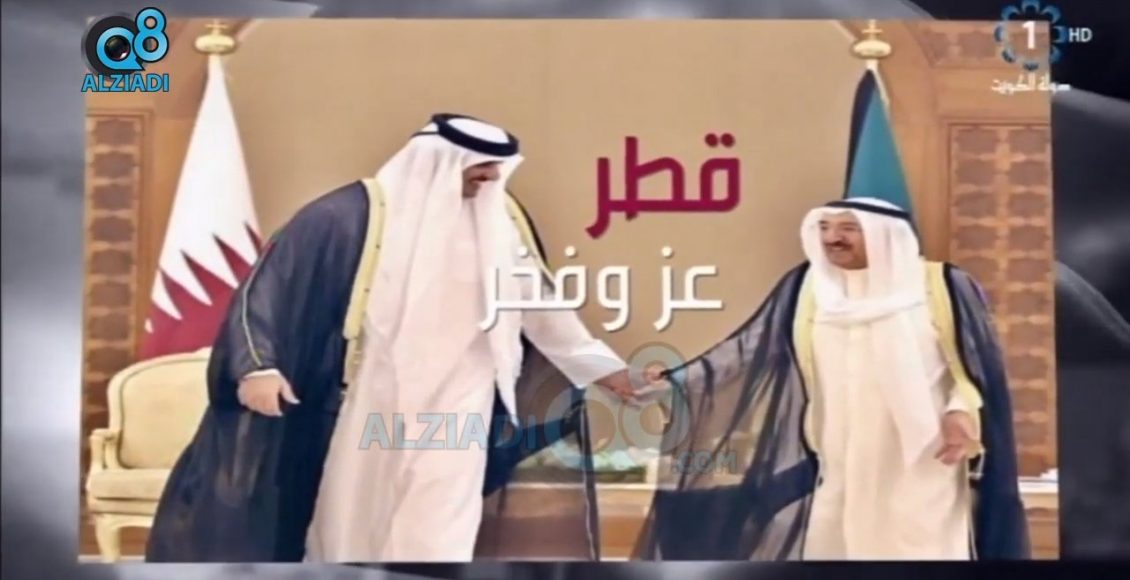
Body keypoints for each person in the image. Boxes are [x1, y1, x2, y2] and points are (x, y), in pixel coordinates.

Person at [147, 113, 645, 563]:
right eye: (481, 167)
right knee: (350, 525)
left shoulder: (502, 224)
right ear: (438, 161)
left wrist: (605, 370)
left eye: (498, 167)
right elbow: (267, 292)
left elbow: (544, 311)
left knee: (440, 529)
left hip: (461, 404)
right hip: (368, 397)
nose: (492, 177)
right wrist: (258, 367)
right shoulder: (344, 217)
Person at [633, 198, 1030, 561]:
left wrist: (961, 412)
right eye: (824, 227)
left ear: (885, 234)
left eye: (848, 228)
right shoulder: (809, 287)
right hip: (836, 457)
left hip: (920, 460)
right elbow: (749, 348)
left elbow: (975, 367)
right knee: (834, 547)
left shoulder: (939, 286)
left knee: (915, 549)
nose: (832, 238)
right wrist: (674, 380)